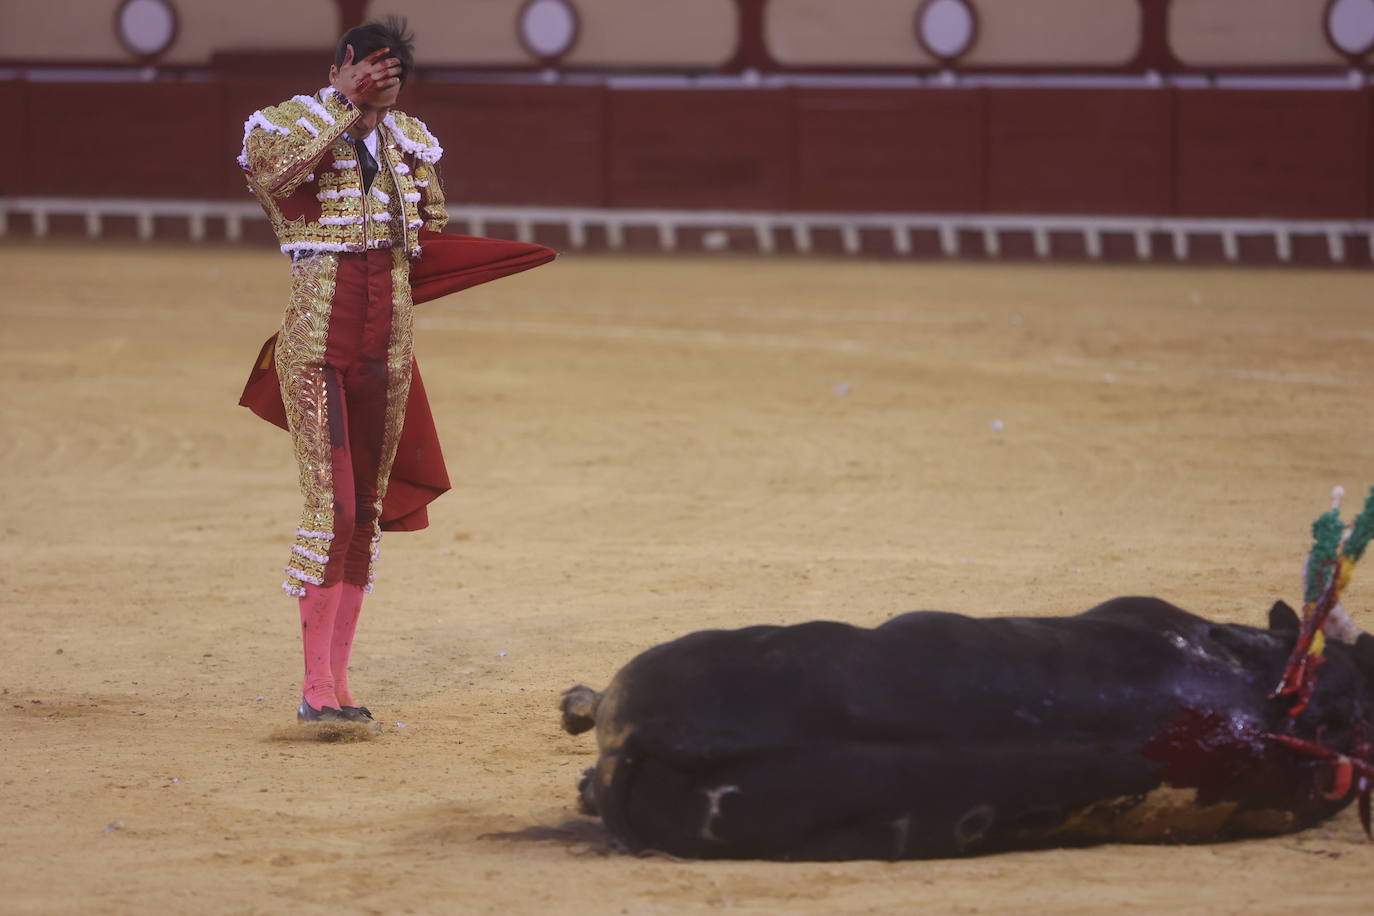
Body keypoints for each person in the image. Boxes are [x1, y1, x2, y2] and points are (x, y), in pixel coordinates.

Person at [236, 17, 555, 723]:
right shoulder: (285, 122)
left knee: (366, 515)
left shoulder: (405, 137)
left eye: (392, 85)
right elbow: (272, 181)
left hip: (388, 343)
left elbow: (426, 233)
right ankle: (314, 688)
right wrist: (348, 109)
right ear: (345, 64)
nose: (383, 97)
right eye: (372, 78)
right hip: (318, 340)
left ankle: (341, 687)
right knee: (335, 508)